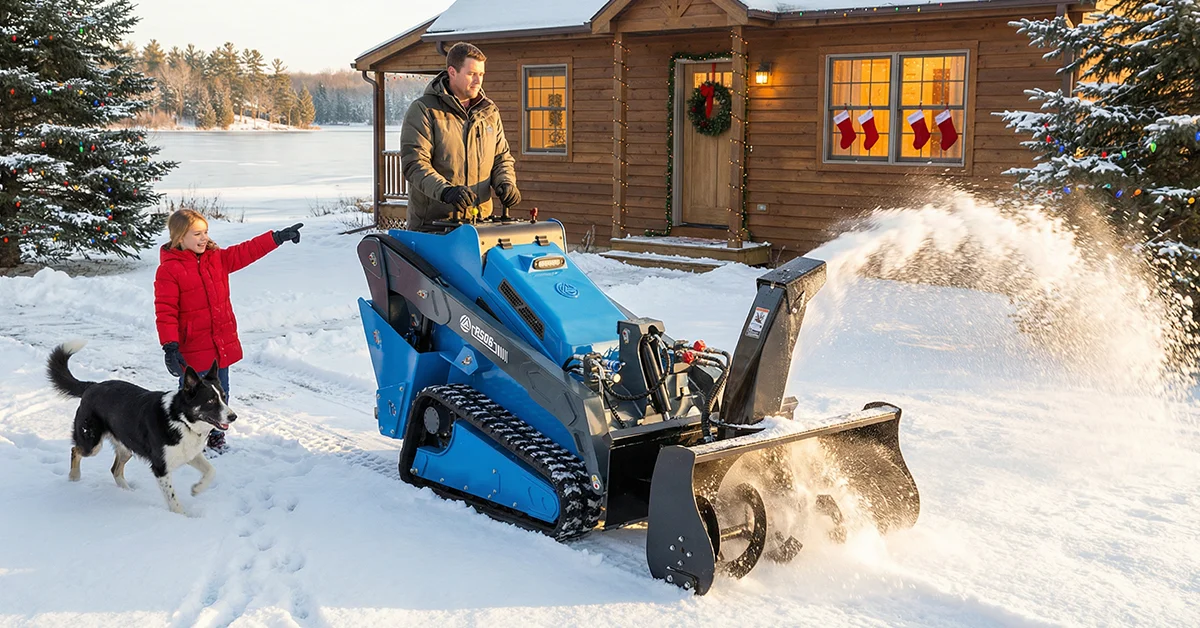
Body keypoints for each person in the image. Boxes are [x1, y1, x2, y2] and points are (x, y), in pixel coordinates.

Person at [153, 209, 302, 453]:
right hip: (193, 349)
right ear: (180, 237)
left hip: (220, 345)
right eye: (197, 234)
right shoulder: (169, 270)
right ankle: (188, 439)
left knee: (222, 393)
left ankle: (215, 435)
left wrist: (276, 238)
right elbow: (165, 311)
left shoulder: (216, 258)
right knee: (193, 399)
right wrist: (170, 345)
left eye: (205, 232)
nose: (204, 238)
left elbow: (247, 251)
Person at [399, 41, 520, 232]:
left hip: (480, 226)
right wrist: (445, 191)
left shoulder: (489, 113)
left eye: (481, 74)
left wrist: (506, 182)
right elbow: (415, 165)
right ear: (452, 72)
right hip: (434, 227)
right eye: (472, 74)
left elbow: (501, 159)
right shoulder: (424, 110)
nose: (478, 81)